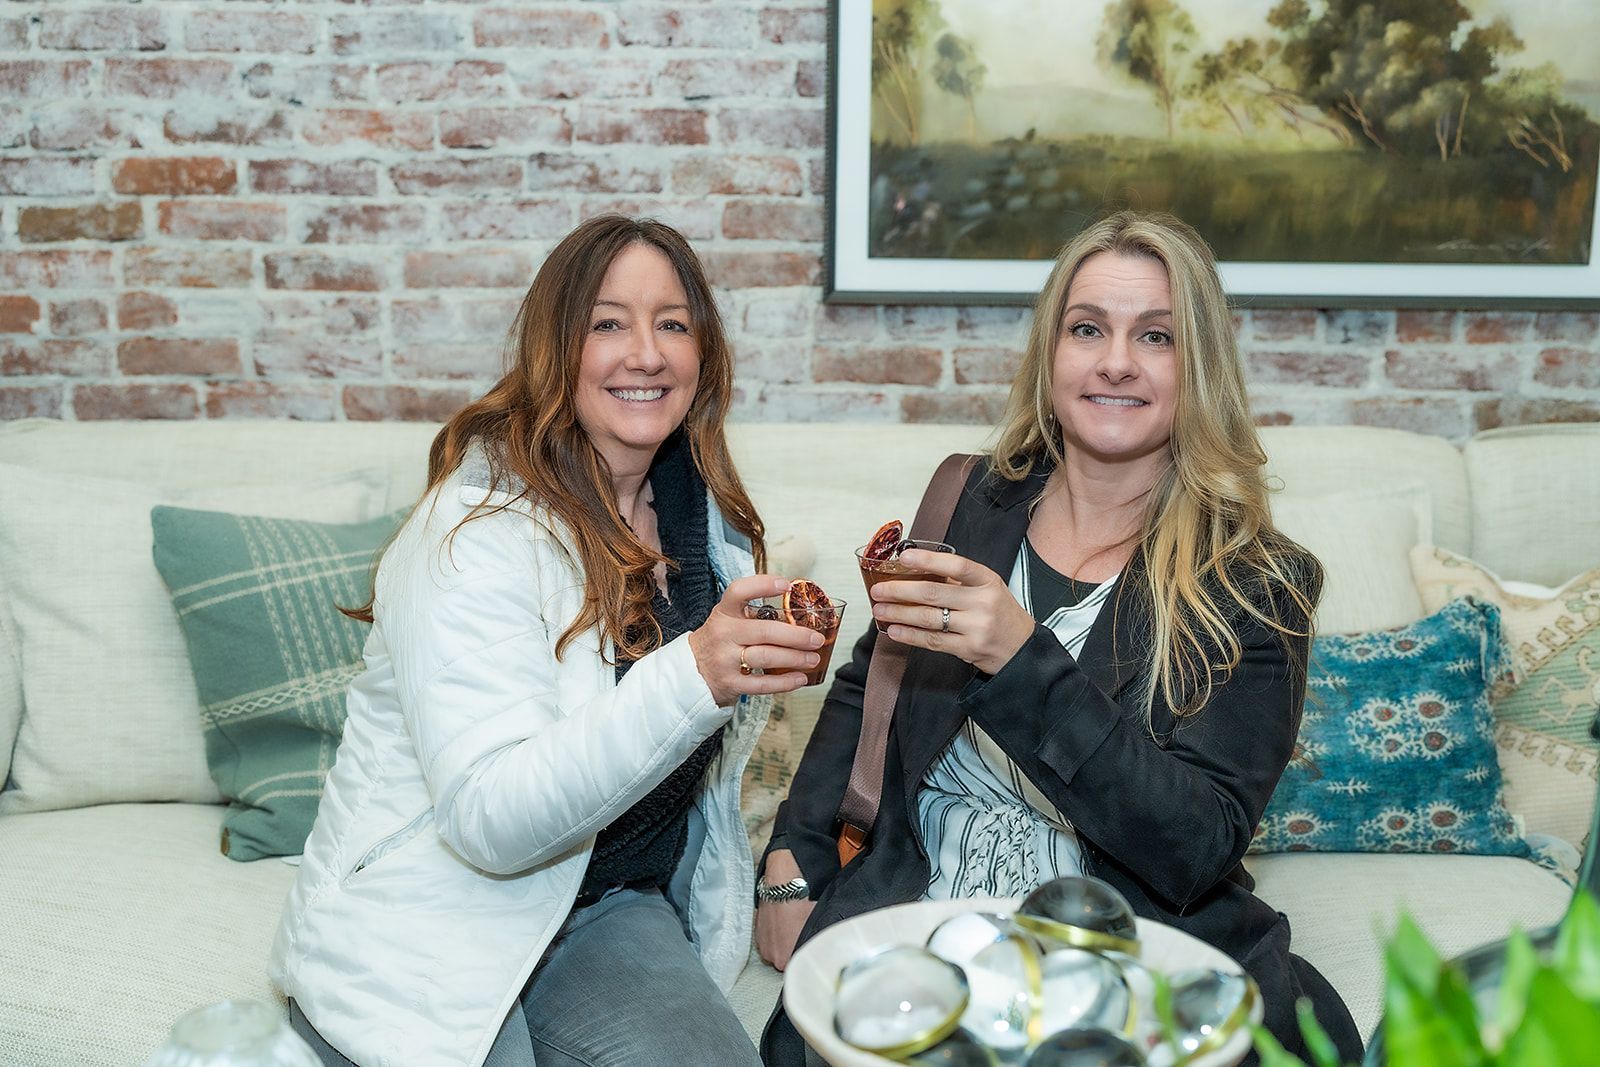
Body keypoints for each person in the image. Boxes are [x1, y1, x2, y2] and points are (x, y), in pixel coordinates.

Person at [755, 211, 1364, 1065]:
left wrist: (1020, 658)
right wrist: (793, 856)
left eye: (1156, 335)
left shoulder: (1256, 582)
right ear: (1050, 355)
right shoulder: (969, 502)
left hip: (1123, 955)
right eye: (1087, 329)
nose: (1116, 360)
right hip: (916, 927)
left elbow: (1198, 845)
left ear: (1199, 367)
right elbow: (873, 681)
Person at [271, 215, 825, 1067]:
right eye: (608, 323)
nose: (647, 353)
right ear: (555, 350)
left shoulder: (706, 534)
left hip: (609, 902)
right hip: (435, 909)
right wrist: (696, 673)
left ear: (704, 353)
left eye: (673, 323)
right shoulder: (470, 531)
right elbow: (489, 819)